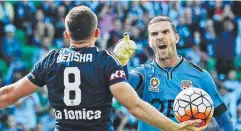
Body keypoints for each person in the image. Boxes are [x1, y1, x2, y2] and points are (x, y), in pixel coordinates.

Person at [0, 6, 205, 131]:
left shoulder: (51, 59)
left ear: (67, 35)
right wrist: (174, 127)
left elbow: (9, 95)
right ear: (97, 33)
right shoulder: (106, 61)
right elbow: (135, 106)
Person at [113, 16, 234, 131]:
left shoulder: (201, 76)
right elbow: (125, 84)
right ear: (150, 42)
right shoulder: (144, 73)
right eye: (154, 34)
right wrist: (121, 63)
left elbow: (225, 121)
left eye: (165, 32)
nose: (160, 37)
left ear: (177, 38)